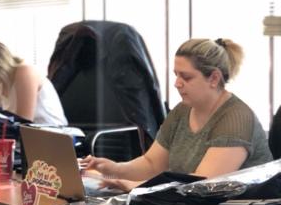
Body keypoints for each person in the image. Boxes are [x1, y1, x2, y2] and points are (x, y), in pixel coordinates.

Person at [83, 38, 271, 191]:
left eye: (186, 77)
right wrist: (114, 169)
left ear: (214, 78)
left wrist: (134, 186)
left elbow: (202, 186)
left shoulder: (236, 119)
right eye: (176, 75)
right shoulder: (182, 110)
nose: (177, 83)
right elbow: (152, 164)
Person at [0, 36, 68, 126]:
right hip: (33, 133)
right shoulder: (4, 82)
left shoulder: (25, 71)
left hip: (54, 132)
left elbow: (23, 121)